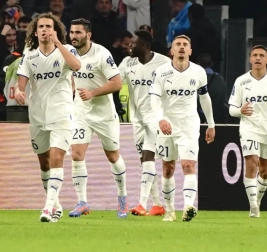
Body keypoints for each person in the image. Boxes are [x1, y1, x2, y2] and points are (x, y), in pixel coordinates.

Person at [15, 12, 81, 222]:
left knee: (56, 158)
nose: (45, 30)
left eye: (49, 27)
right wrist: (19, 91)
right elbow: (22, 79)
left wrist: (59, 44)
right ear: (36, 31)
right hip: (37, 115)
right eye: (41, 27)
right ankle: (57, 204)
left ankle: (47, 208)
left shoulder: (67, 50)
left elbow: (76, 66)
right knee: (44, 164)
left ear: (55, 30)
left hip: (61, 113)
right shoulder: (30, 55)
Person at [149, 35, 216, 222]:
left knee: (188, 165)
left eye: (185, 45)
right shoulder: (161, 72)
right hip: (166, 126)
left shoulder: (198, 72)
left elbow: (204, 98)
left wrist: (211, 124)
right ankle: (170, 210)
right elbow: (154, 98)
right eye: (177, 44)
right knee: (168, 168)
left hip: (189, 125)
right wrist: (160, 119)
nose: (181, 47)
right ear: (171, 50)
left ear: (190, 51)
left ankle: (188, 206)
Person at [67, 18, 128, 219]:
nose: (74, 36)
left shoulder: (102, 54)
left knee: (113, 156)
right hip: (81, 112)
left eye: (78, 32)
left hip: (103, 114)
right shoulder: (69, 53)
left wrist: (93, 93)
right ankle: (82, 202)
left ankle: (122, 198)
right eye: (72, 32)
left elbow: (117, 83)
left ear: (88, 35)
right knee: (76, 154)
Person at [228, 45, 267, 218]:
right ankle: (253, 206)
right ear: (250, 59)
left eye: (261, 55)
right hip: (249, 128)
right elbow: (231, 109)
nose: (257, 58)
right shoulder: (241, 81)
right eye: (254, 55)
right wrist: (240, 110)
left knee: (264, 171)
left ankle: (258, 200)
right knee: (251, 162)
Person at [118, 29, 170, 216]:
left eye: (134, 42)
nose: (130, 45)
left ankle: (141, 204)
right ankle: (157, 205)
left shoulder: (164, 64)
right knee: (145, 162)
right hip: (137, 119)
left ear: (145, 46)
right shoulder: (127, 63)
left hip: (156, 118)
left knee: (148, 158)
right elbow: (116, 81)